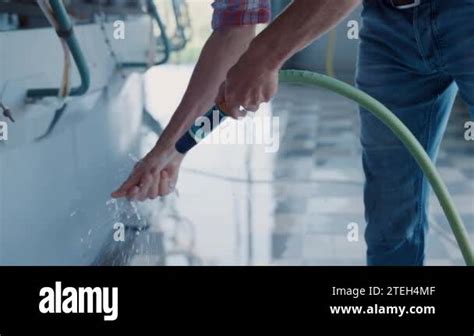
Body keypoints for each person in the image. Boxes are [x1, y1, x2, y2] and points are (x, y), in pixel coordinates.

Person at [112, 0, 474, 266]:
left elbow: (253, 55)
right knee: (390, 224)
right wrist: (171, 150)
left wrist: (266, 55)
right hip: (390, 24)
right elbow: (235, 32)